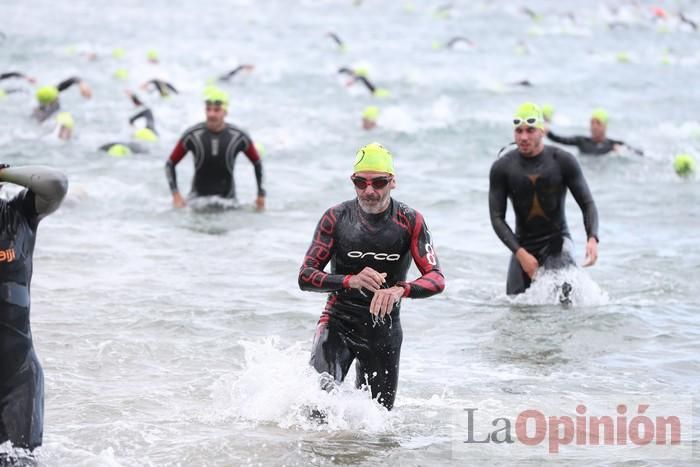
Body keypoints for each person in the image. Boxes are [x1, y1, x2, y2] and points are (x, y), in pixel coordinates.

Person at [299, 143, 445, 410]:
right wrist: (348, 280)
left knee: (376, 426)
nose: (369, 190)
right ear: (352, 182)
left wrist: (400, 289)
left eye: (378, 182)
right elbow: (305, 277)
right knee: (316, 407)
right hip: (338, 323)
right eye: (360, 182)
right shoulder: (336, 218)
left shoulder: (410, 220)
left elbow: (436, 278)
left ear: (393, 182)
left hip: (384, 331)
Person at [489, 103, 599, 297]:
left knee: (564, 298)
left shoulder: (562, 161)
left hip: (557, 243)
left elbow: (587, 203)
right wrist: (520, 254)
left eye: (530, 130)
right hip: (523, 245)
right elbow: (497, 217)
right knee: (515, 305)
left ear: (541, 130)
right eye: (519, 131)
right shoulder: (503, 167)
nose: (524, 137)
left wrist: (592, 237)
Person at [0, 164, 68, 456]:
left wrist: (4, 172)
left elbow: (56, 183)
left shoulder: (19, 215)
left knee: (22, 462)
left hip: (18, 376)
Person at [165, 88, 265, 209]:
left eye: (217, 110)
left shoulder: (238, 137)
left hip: (228, 203)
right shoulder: (192, 135)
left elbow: (257, 162)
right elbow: (170, 163)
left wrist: (261, 195)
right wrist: (176, 195)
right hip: (197, 202)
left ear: (225, 112)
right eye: (208, 109)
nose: (211, 114)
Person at [546, 108, 643, 156]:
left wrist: (621, 151)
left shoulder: (613, 145)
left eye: (598, 123)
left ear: (605, 126)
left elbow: (638, 153)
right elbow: (559, 139)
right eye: (592, 123)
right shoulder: (581, 141)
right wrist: (548, 132)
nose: (594, 126)